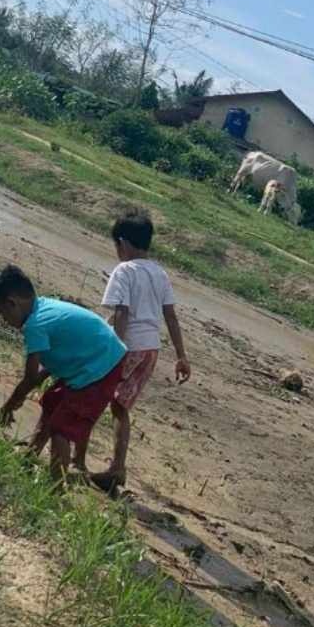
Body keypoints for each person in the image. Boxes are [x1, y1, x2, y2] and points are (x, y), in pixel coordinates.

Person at [0, 264, 126, 483]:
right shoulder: (44, 307)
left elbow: (30, 378)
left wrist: (8, 406)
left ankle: (56, 485)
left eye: (3, 314)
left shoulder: (35, 324)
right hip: (95, 360)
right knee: (53, 402)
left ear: (12, 303)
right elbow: (51, 363)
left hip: (100, 368)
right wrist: (23, 394)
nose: (4, 320)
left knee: (61, 428)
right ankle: (30, 455)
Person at [89, 210, 191, 494]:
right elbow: (170, 316)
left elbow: (122, 312)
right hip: (150, 350)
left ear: (122, 243)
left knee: (94, 394)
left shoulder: (124, 271)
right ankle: (117, 467)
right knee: (120, 406)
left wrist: (115, 348)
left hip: (129, 346)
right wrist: (181, 356)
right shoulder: (160, 273)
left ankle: (76, 454)